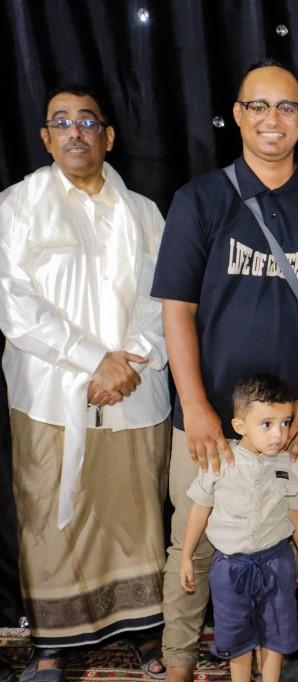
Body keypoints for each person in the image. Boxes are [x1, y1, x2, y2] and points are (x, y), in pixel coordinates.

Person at [151, 60, 298, 682]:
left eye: (286, 107)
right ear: (238, 115)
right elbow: (177, 310)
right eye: (258, 106)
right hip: (211, 421)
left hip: (294, 424)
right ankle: (180, 661)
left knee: (279, 543)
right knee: (195, 544)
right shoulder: (200, 199)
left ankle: (273, 658)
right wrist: (196, 407)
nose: (272, 119)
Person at [0, 84, 169, 680]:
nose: (75, 131)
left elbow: (165, 298)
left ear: (108, 136)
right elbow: (15, 304)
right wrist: (95, 360)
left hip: (134, 391)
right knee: (51, 518)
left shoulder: (143, 212)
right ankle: (51, 645)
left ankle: (145, 633)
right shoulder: (16, 206)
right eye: (62, 122)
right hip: (51, 396)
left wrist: (130, 363)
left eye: (87, 121)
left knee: (136, 516)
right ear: (46, 138)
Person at [179, 374, 298, 682]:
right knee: (236, 635)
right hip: (231, 567)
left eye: (285, 422)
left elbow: (294, 513)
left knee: (276, 632)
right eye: (266, 424)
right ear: (239, 426)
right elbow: (200, 509)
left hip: (276, 562)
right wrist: (186, 556)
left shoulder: (291, 465)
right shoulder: (220, 462)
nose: (279, 434)